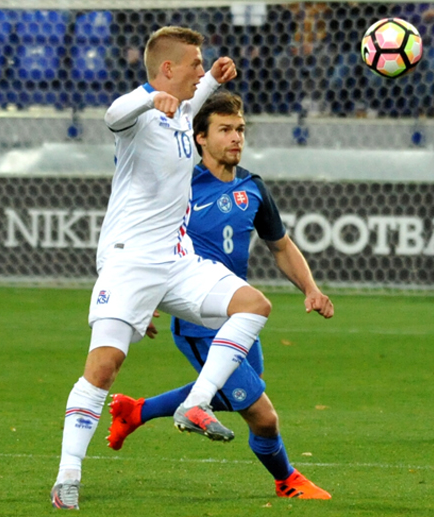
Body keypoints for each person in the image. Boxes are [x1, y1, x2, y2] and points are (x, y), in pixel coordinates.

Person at [52, 27, 282, 510]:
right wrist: (147, 99)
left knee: (252, 305)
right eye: (196, 63)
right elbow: (113, 114)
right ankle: (67, 473)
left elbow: (198, 93)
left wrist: (213, 78)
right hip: (128, 260)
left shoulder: (184, 107)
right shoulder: (139, 115)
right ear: (167, 70)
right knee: (104, 367)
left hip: (176, 261)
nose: (202, 70)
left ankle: (195, 403)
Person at [105, 91, 334, 500]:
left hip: (238, 312)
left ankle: (135, 411)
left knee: (235, 390)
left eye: (240, 129)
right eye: (225, 130)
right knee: (263, 416)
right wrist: (143, 299)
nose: (235, 138)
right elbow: (146, 241)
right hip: (198, 316)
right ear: (199, 138)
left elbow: (280, 245)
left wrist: (312, 288)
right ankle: (287, 481)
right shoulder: (181, 186)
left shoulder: (253, 187)